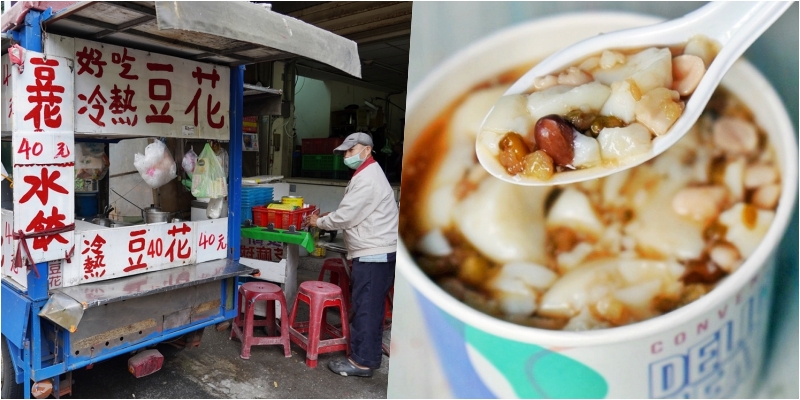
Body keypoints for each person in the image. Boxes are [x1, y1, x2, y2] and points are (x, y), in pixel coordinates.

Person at [308, 131, 398, 377]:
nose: (347, 155)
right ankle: (365, 355)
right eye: (345, 152)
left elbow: (347, 216)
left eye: (351, 150)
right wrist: (328, 217)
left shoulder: (368, 178)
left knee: (367, 308)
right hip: (376, 249)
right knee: (369, 306)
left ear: (367, 150)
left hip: (374, 252)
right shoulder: (367, 173)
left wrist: (320, 222)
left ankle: (362, 362)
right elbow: (353, 211)